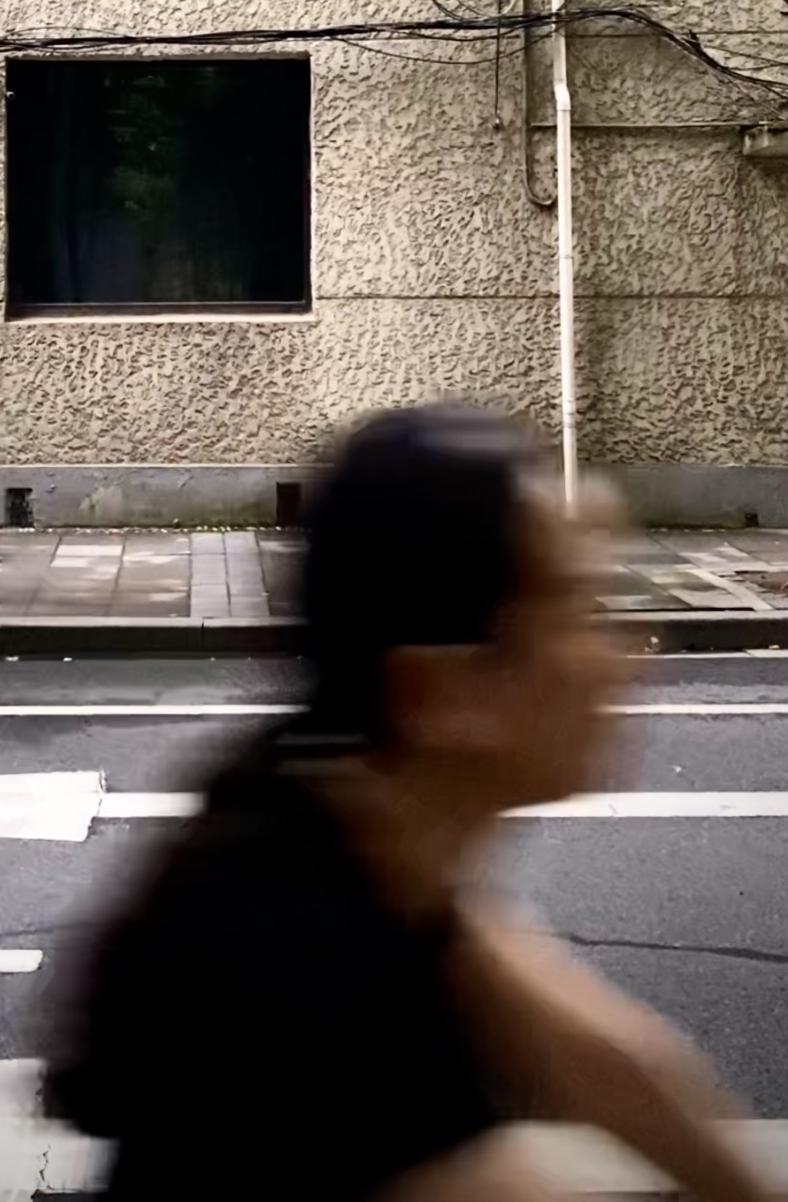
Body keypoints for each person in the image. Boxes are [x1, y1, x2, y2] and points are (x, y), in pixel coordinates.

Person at [42, 402, 770, 1202]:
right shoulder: (304, 978)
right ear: (441, 690)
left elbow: (599, 1061)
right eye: (576, 610)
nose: (627, 658)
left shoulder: (338, 801)